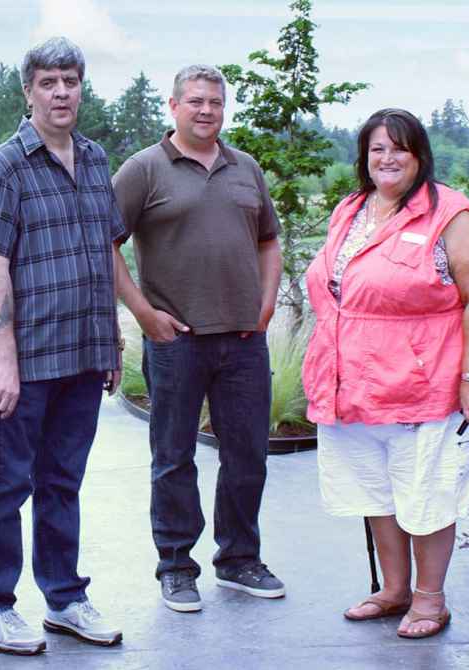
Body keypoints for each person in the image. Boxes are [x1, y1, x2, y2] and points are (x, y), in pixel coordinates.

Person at [302, 108, 469, 638]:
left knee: (427, 492)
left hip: (425, 384)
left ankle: (430, 600)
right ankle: (393, 590)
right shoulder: (350, 208)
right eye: (377, 149)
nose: (387, 159)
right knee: (375, 492)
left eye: (399, 149)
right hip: (354, 384)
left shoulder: (451, 214)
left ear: (420, 156)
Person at [0, 37, 124, 655]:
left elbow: (105, 255)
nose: (61, 93)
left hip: (84, 353)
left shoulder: (96, 157)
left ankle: (64, 598)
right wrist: (4, 361)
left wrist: (111, 344)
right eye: (48, 82)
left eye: (71, 81)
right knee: (6, 483)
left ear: (82, 88)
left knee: (63, 481)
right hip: (26, 362)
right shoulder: (5, 165)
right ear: (27, 90)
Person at [111, 65, 285, 613]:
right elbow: (103, 245)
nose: (206, 110)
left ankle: (238, 560)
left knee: (247, 456)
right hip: (176, 342)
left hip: (242, 341)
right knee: (173, 457)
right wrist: (142, 312)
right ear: (173, 105)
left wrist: (267, 299)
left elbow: (269, 241)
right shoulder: (143, 169)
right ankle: (176, 567)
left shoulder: (245, 168)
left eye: (215, 101)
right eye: (195, 101)